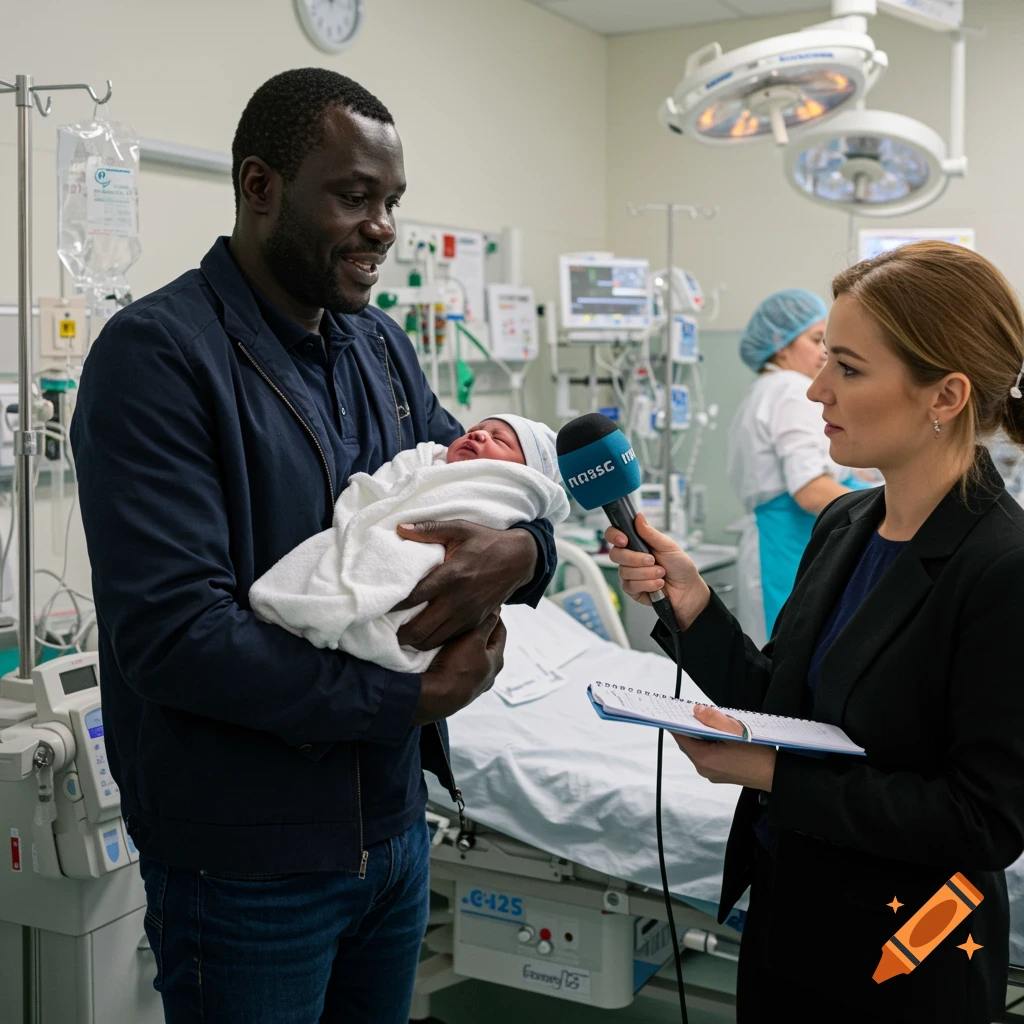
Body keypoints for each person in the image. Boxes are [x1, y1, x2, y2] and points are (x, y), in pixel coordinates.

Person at [70, 69, 557, 1024]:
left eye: (391, 202)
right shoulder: (159, 357)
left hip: (393, 829)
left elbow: (487, 484)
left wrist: (529, 553)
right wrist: (407, 696)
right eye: (353, 195)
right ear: (261, 187)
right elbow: (173, 636)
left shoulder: (376, 348)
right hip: (246, 858)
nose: (381, 226)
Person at [608, 241, 1024, 1023]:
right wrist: (694, 608)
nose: (816, 390)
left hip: (905, 962)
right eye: (823, 358)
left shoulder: (1002, 568)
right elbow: (780, 704)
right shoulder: (846, 524)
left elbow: (984, 820)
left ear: (946, 395)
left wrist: (770, 775)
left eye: (850, 369)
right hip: (786, 923)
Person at [248, 416, 569, 672]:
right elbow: (381, 492)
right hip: (384, 534)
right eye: (475, 429)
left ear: (523, 473)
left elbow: (527, 509)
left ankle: (353, 615)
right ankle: (338, 608)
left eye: (499, 439)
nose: (477, 435)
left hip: (433, 559)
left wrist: (532, 546)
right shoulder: (431, 462)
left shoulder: (506, 489)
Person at [728, 288, 870, 647]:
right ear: (780, 344)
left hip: (776, 542)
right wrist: (890, 513)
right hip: (786, 546)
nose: (824, 351)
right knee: (786, 663)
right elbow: (810, 490)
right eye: (813, 339)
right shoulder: (790, 388)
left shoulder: (764, 390)